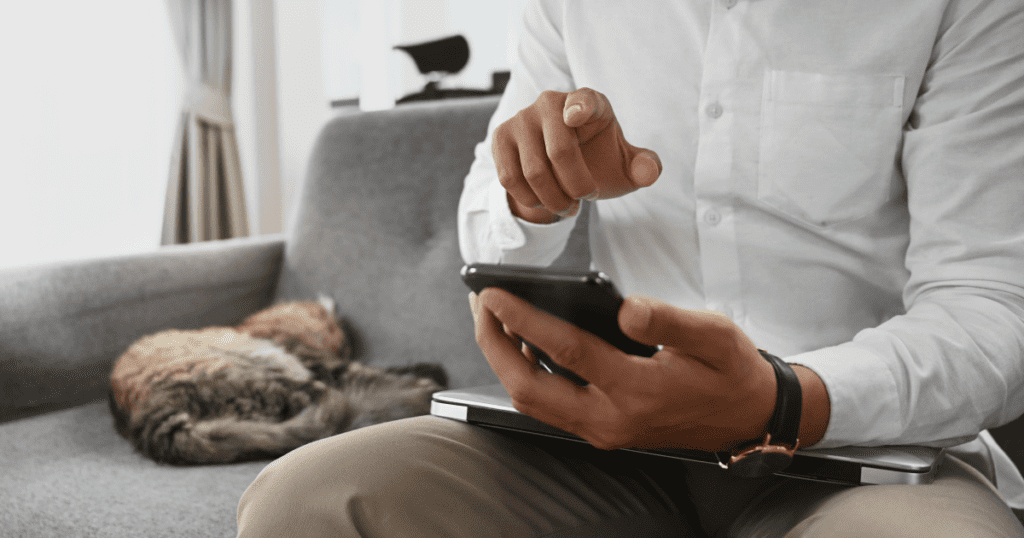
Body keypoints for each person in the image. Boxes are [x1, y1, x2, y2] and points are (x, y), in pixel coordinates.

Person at [236, 0, 1024, 535]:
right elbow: (488, 228)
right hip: (610, 448)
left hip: (861, 456)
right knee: (305, 504)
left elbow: (994, 309)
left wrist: (781, 402)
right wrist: (538, 194)